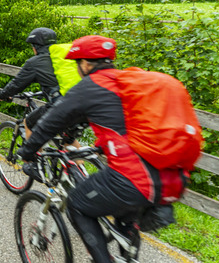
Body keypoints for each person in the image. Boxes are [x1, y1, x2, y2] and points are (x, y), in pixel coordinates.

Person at [17, 35, 188, 263]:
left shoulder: (89, 86)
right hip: (171, 177)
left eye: (78, 63)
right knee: (124, 218)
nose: (78, 68)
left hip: (134, 180)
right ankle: (128, 256)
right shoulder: (126, 81)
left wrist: (27, 153)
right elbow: (121, 124)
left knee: (77, 204)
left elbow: (49, 123)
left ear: (86, 64)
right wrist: (98, 146)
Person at [0, 27, 61, 139]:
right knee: (69, 139)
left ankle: (30, 156)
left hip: (59, 106)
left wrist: (2, 95)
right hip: (80, 104)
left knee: (28, 124)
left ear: (36, 46)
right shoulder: (63, 57)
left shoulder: (35, 62)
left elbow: (17, 84)